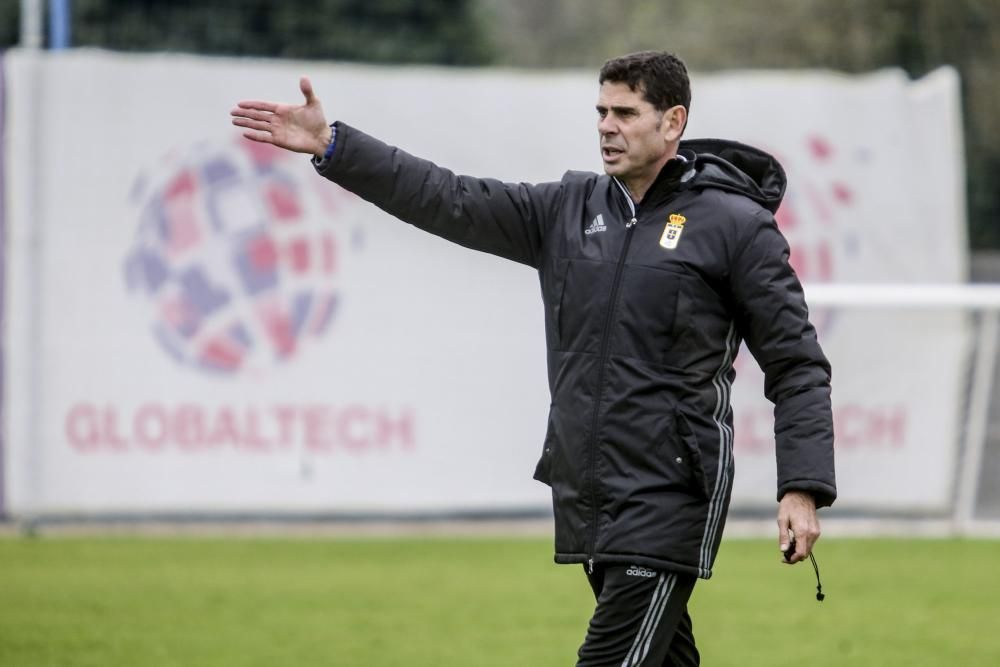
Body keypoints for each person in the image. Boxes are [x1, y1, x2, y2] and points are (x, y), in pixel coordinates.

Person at [231, 51, 836, 666]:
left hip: (670, 493)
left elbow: (797, 364)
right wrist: (333, 147)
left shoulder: (737, 226)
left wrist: (802, 488)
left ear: (673, 121)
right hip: (588, 488)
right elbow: (448, 197)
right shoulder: (568, 210)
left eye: (625, 113)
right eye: (601, 111)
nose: (606, 125)